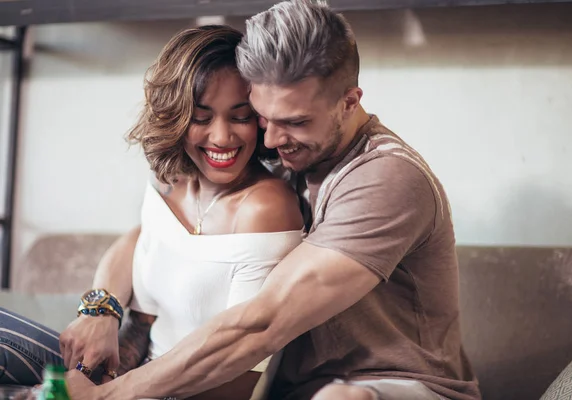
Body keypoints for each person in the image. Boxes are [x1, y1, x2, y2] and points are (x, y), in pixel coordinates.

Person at [62, 1, 483, 399]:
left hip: (395, 387)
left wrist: (112, 394)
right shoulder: (289, 150)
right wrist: (101, 310)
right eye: (261, 117)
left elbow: (262, 323)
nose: (271, 139)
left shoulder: (386, 178)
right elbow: (151, 233)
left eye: (294, 122)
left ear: (350, 101)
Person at [0, 24, 304, 400]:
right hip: (124, 374)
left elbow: (235, 382)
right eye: (202, 117)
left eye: (240, 116)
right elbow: (139, 241)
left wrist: (103, 394)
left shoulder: (265, 208)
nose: (222, 137)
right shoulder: (171, 179)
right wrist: (101, 313)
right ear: (175, 115)